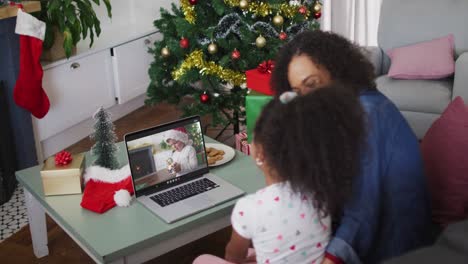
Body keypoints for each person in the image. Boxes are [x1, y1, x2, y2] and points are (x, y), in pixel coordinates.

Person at [270, 30, 432, 264]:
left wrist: (330, 258)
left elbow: (363, 211)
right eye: (298, 92)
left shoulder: (366, 115)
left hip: (393, 245)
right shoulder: (343, 108)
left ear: (336, 71)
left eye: (312, 84)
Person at [193, 85, 366, 264]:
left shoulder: (248, 208)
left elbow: (234, 256)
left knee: (202, 259)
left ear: (259, 153)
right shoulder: (322, 194)